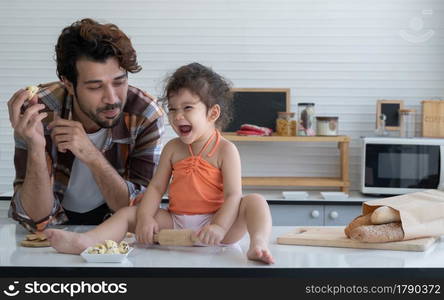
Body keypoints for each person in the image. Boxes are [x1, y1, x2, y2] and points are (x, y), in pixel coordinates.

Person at [45, 62, 275, 264]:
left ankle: (258, 244)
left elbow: (233, 196)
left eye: (187, 108)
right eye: (173, 109)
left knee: (255, 202)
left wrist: (219, 227)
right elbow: (155, 188)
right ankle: (87, 241)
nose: (177, 117)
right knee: (128, 213)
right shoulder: (173, 148)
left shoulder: (226, 150)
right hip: (175, 221)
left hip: (216, 223)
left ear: (212, 114)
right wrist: (145, 219)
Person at [7, 19, 164, 231]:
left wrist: (90, 154)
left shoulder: (145, 114)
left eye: (119, 82)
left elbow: (141, 212)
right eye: (95, 87)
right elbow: (36, 218)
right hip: (55, 229)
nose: (112, 98)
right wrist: (35, 146)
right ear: (68, 84)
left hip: (115, 231)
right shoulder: (39, 111)